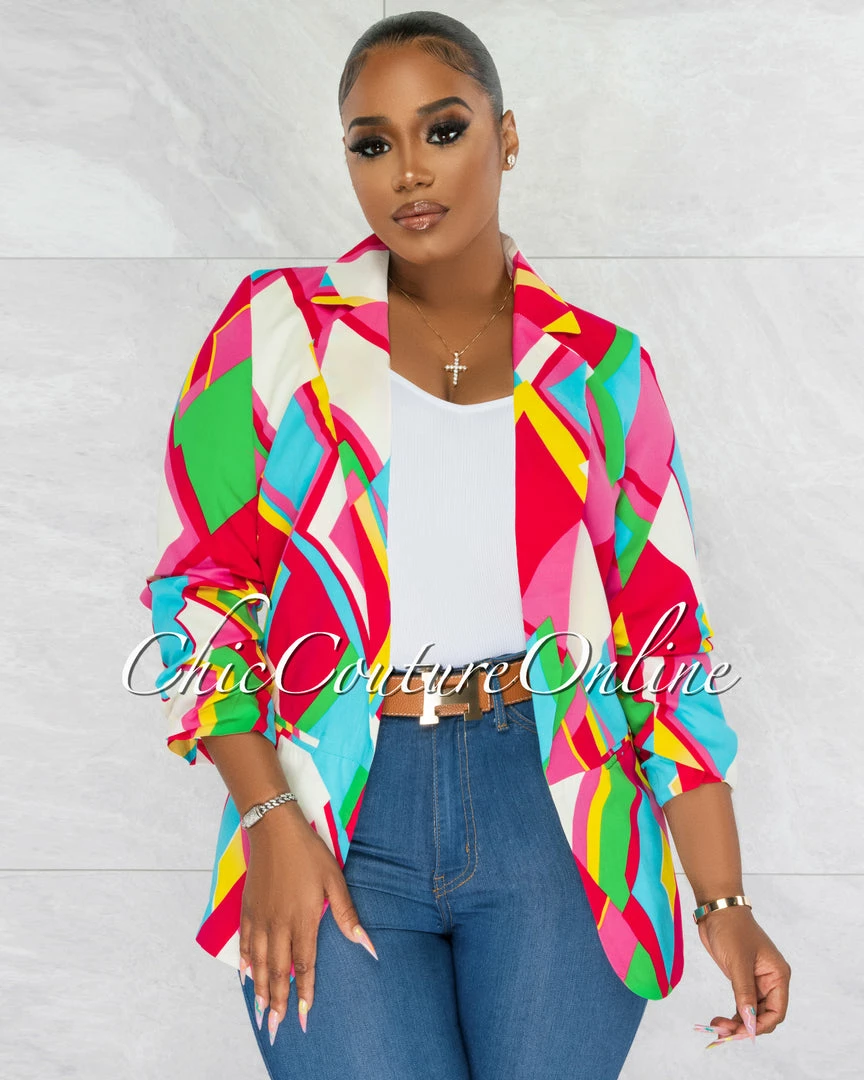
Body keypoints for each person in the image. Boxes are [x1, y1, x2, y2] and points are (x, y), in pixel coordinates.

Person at [139, 10, 791, 1079]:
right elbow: (205, 589)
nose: (408, 170)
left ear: (508, 135)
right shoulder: (276, 332)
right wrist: (268, 816)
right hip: (333, 802)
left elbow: (666, 644)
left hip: (557, 813)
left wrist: (723, 901)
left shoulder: (603, 372)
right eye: (372, 143)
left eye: (443, 130)